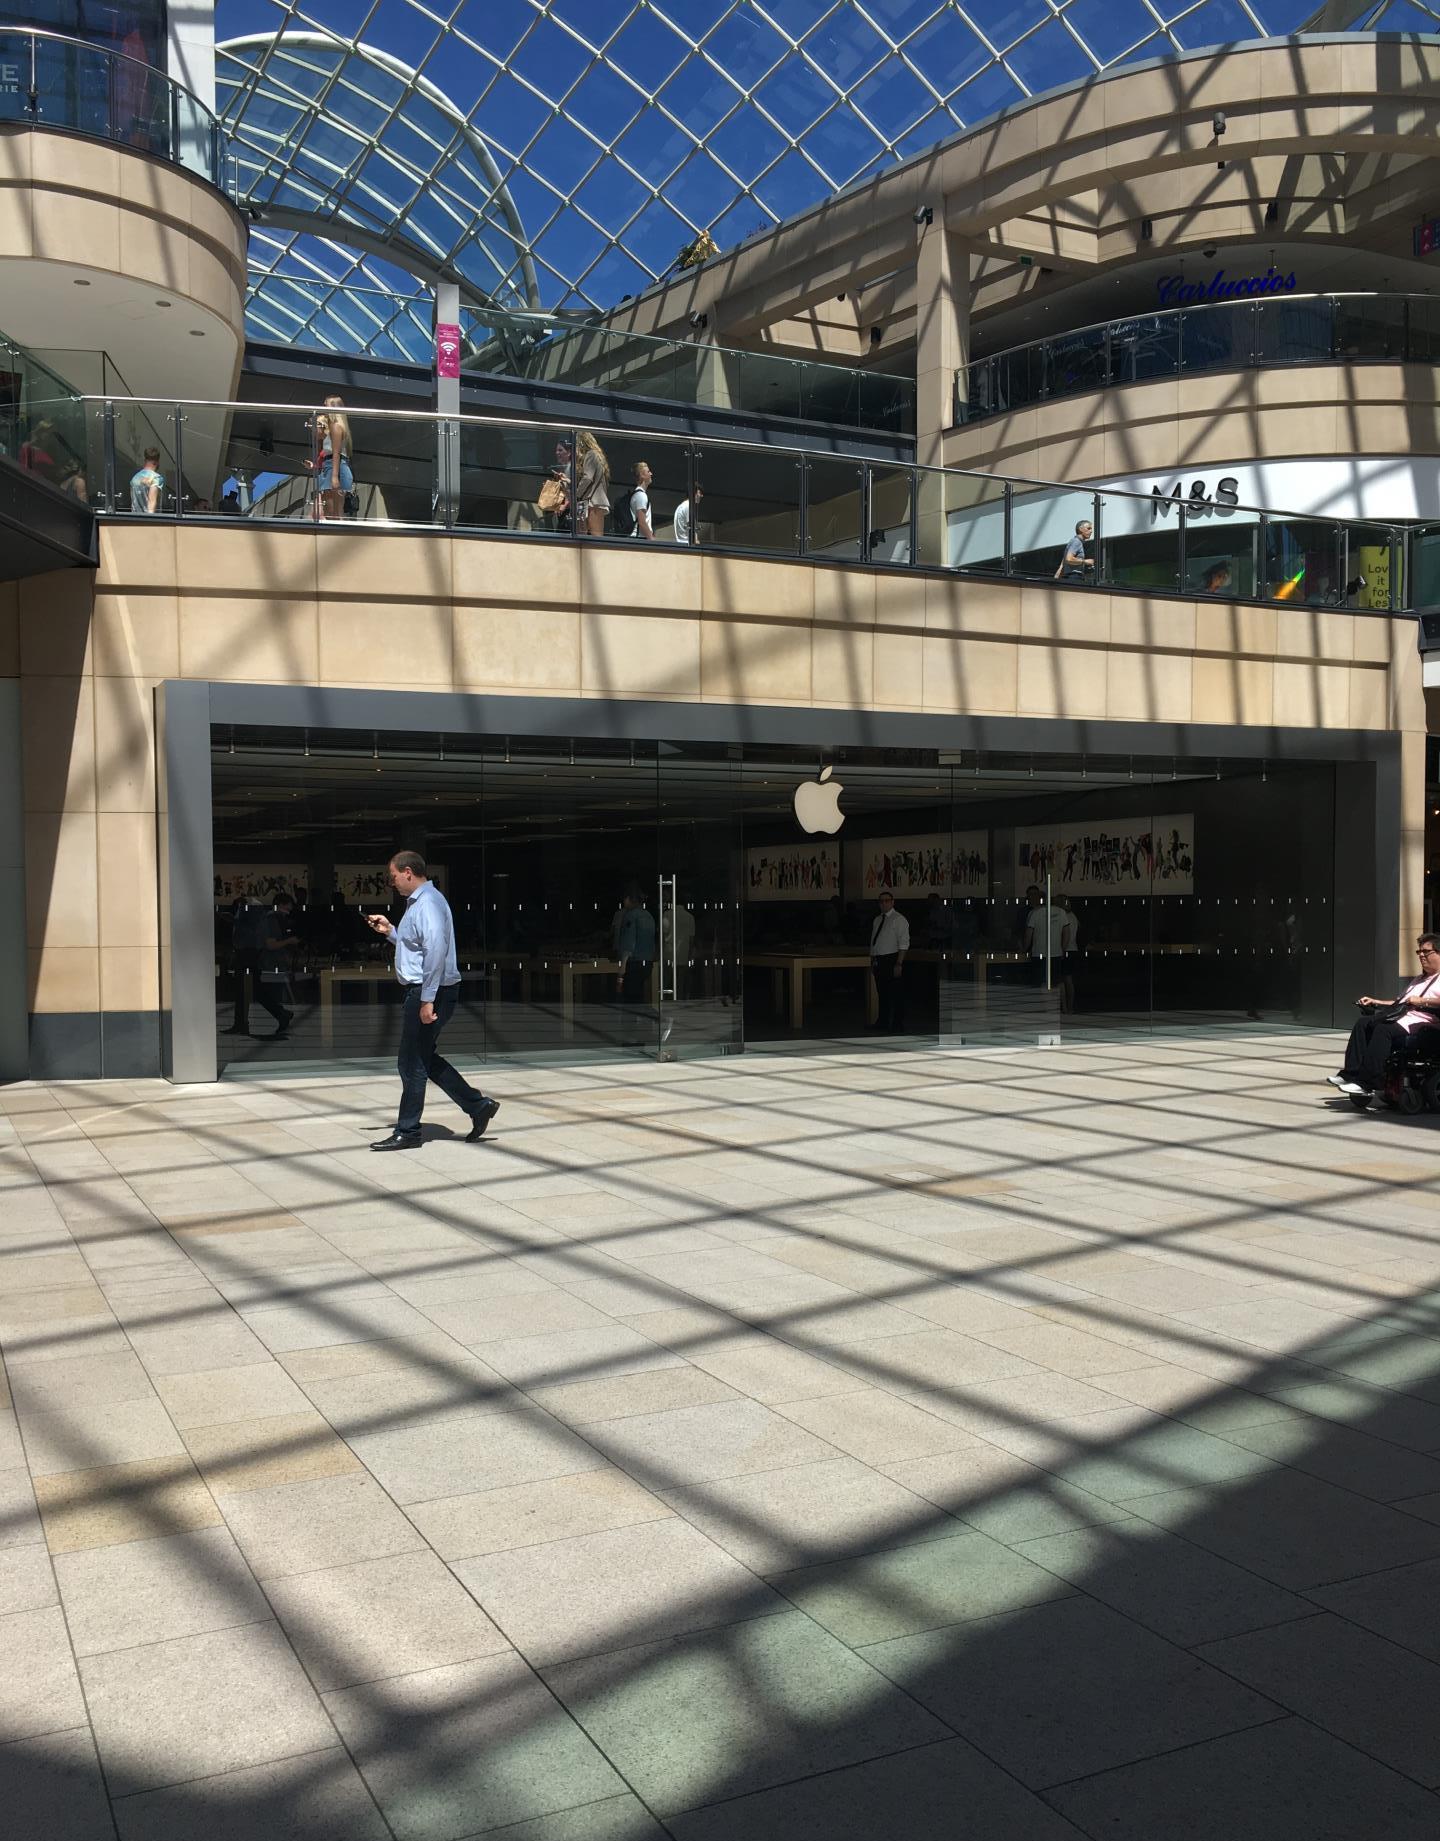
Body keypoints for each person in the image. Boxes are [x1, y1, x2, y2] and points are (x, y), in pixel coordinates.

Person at [365, 852, 500, 1150]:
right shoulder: (422, 903)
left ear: (409, 872)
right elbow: (417, 947)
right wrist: (390, 932)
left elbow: (436, 951)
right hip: (430, 989)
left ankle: (409, 1131)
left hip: (430, 991)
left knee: (411, 1061)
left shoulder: (427, 903)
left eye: (394, 876)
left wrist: (427, 999)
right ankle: (478, 1106)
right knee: (423, 1057)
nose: (392, 882)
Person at [1327, 934, 1440, 1096]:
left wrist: (1423, 1001)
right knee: (1363, 1023)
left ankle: (1367, 1083)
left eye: (1426, 952)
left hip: (1424, 1024)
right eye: (1419, 952)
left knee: (1383, 1030)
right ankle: (1350, 1074)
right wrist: (1376, 1002)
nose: (1421, 955)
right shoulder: (1418, 979)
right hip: (1402, 1017)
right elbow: (1400, 1003)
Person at [224, 893, 292, 1039]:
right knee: (249, 989)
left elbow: (251, 931)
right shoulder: (252, 911)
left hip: (248, 954)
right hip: (248, 953)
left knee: (250, 988)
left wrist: (234, 921)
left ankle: (279, 1014)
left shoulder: (252, 912)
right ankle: (243, 1022)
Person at [615, 884, 658, 1046]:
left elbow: (628, 944)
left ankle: (632, 1035)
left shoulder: (630, 916)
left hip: (634, 963)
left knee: (630, 1001)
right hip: (647, 963)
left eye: (625, 898)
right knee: (637, 997)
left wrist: (622, 969)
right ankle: (645, 1031)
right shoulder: (649, 916)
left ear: (629, 899)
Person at [869, 888, 909, 1032]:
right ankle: (883, 1022)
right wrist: (873, 959)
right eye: (881, 901)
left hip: (892, 958)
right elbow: (875, 941)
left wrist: (899, 962)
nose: (883, 904)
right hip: (880, 959)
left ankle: (898, 1024)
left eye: (887, 901)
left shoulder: (898, 919)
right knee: (882, 993)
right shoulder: (878, 919)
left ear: (892, 902)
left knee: (896, 993)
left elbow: (904, 942)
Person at [312, 396, 353, 521]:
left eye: (325, 405)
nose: (322, 407)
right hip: (334, 466)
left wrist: (334, 477)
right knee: (333, 511)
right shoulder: (336, 427)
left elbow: (336, 453)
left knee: (332, 512)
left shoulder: (336, 427)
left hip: (334, 467)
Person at [1023, 885, 1070, 988]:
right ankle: (1055, 1003)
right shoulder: (1061, 912)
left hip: (1039, 954)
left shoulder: (1035, 913)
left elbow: (1028, 935)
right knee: (1055, 983)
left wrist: (1025, 949)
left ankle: (1042, 1003)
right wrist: (1063, 949)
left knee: (1039, 983)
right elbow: (1067, 934)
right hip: (1056, 954)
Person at [574, 430, 611, 536]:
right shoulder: (596, 456)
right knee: (591, 538)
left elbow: (588, 478)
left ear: (581, 443)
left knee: (595, 539)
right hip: (591, 502)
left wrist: (576, 493)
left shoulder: (591, 454)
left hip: (592, 502)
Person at [1054, 518, 1094, 583]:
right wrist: (1085, 561)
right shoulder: (1076, 542)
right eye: (1088, 528)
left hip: (1071, 576)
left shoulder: (1074, 541)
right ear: (1081, 529)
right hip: (1074, 577)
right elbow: (1069, 559)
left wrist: (1056, 579)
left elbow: (1064, 562)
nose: (1091, 531)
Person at [129, 446, 164, 514]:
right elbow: (152, 502)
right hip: (149, 521)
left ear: (145, 460)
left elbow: (133, 502)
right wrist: (150, 521)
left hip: (135, 519)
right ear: (157, 462)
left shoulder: (134, 478)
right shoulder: (156, 478)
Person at [630, 460, 654, 540]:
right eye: (648, 472)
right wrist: (651, 539)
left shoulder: (637, 494)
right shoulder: (641, 496)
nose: (651, 474)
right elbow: (642, 522)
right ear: (642, 475)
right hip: (639, 539)